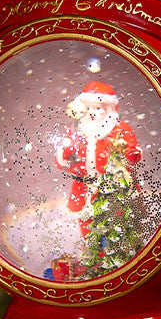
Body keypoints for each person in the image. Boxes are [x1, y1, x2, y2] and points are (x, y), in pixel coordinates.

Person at [55, 81, 142, 235]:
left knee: (116, 223)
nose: (92, 113)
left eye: (97, 108)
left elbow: (133, 154)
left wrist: (129, 155)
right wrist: (66, 152)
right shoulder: (76, 131)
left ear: (107, 110)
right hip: (84, 186)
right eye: (88, 108)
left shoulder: (120, 129)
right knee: (86, 222)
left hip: (114, 187)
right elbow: (61, 162)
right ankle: (91, 253)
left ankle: (119, 253)